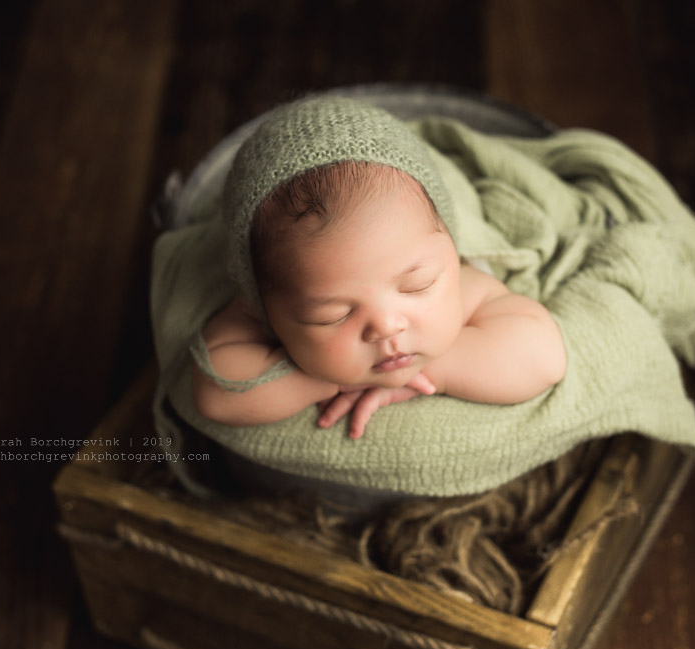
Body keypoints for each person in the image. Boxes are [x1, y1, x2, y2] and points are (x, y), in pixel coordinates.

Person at [191, 98, 567, 439]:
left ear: (451, 254)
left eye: (416, 286)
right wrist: (324, 382)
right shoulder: (256, 303)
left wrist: (435, 369)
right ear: (264, 308)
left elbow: (543, 357)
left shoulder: (463, 283)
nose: (387, 326)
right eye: (332, 315)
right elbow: (218, 394)